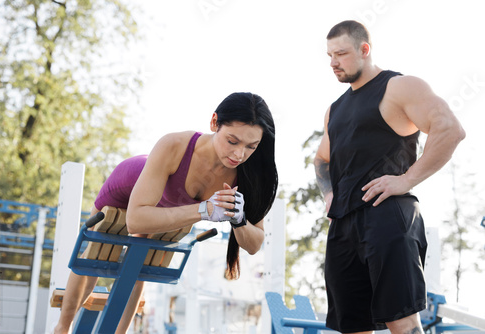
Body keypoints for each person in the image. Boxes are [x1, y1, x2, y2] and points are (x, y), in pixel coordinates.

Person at [54, 92, 278, 334]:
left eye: (251, 146)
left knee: (139, 262)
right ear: (214, 122)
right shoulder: (175, 145)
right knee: (95, 252)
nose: (239, 154)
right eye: (232, 141)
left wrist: (239, 219)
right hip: (129, 184)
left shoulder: (250, 175)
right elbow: (135, 220)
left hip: (166, 207)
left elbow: (254, 244)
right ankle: (62, 328)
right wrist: (203, 210)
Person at [314, 20, 465, 334]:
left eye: (340, 54)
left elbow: (450, 129)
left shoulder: (399, 86)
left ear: (364, 50)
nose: (333, 63)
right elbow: (322, 160)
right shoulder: (335, 109)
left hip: (387, 216)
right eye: (329, 55)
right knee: (352, 326)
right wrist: (330, 195)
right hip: (343, 226)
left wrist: (406, 179)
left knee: (402, 322)